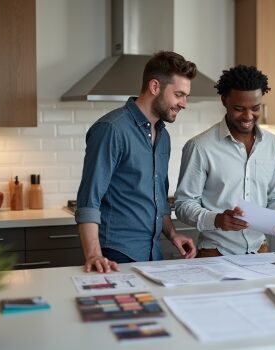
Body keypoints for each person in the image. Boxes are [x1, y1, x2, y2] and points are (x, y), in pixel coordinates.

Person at [76, 51, 197, 273]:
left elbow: (158, 200)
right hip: (114, 256)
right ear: (154, 87)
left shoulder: (163, 136)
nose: (184, 104)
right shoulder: (112, 129)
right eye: (179, 94)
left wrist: (172, 234)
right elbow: (88, 200)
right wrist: (94, 255)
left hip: (152, 254)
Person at [174, 65, 275, 257]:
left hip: (260, 252)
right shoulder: (200, 146)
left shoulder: (272, 144)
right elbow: (184, 204)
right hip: (215, 253)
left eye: (255, 108)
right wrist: (216, 220)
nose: (248, 116)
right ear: (224, 101)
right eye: (239, 109)